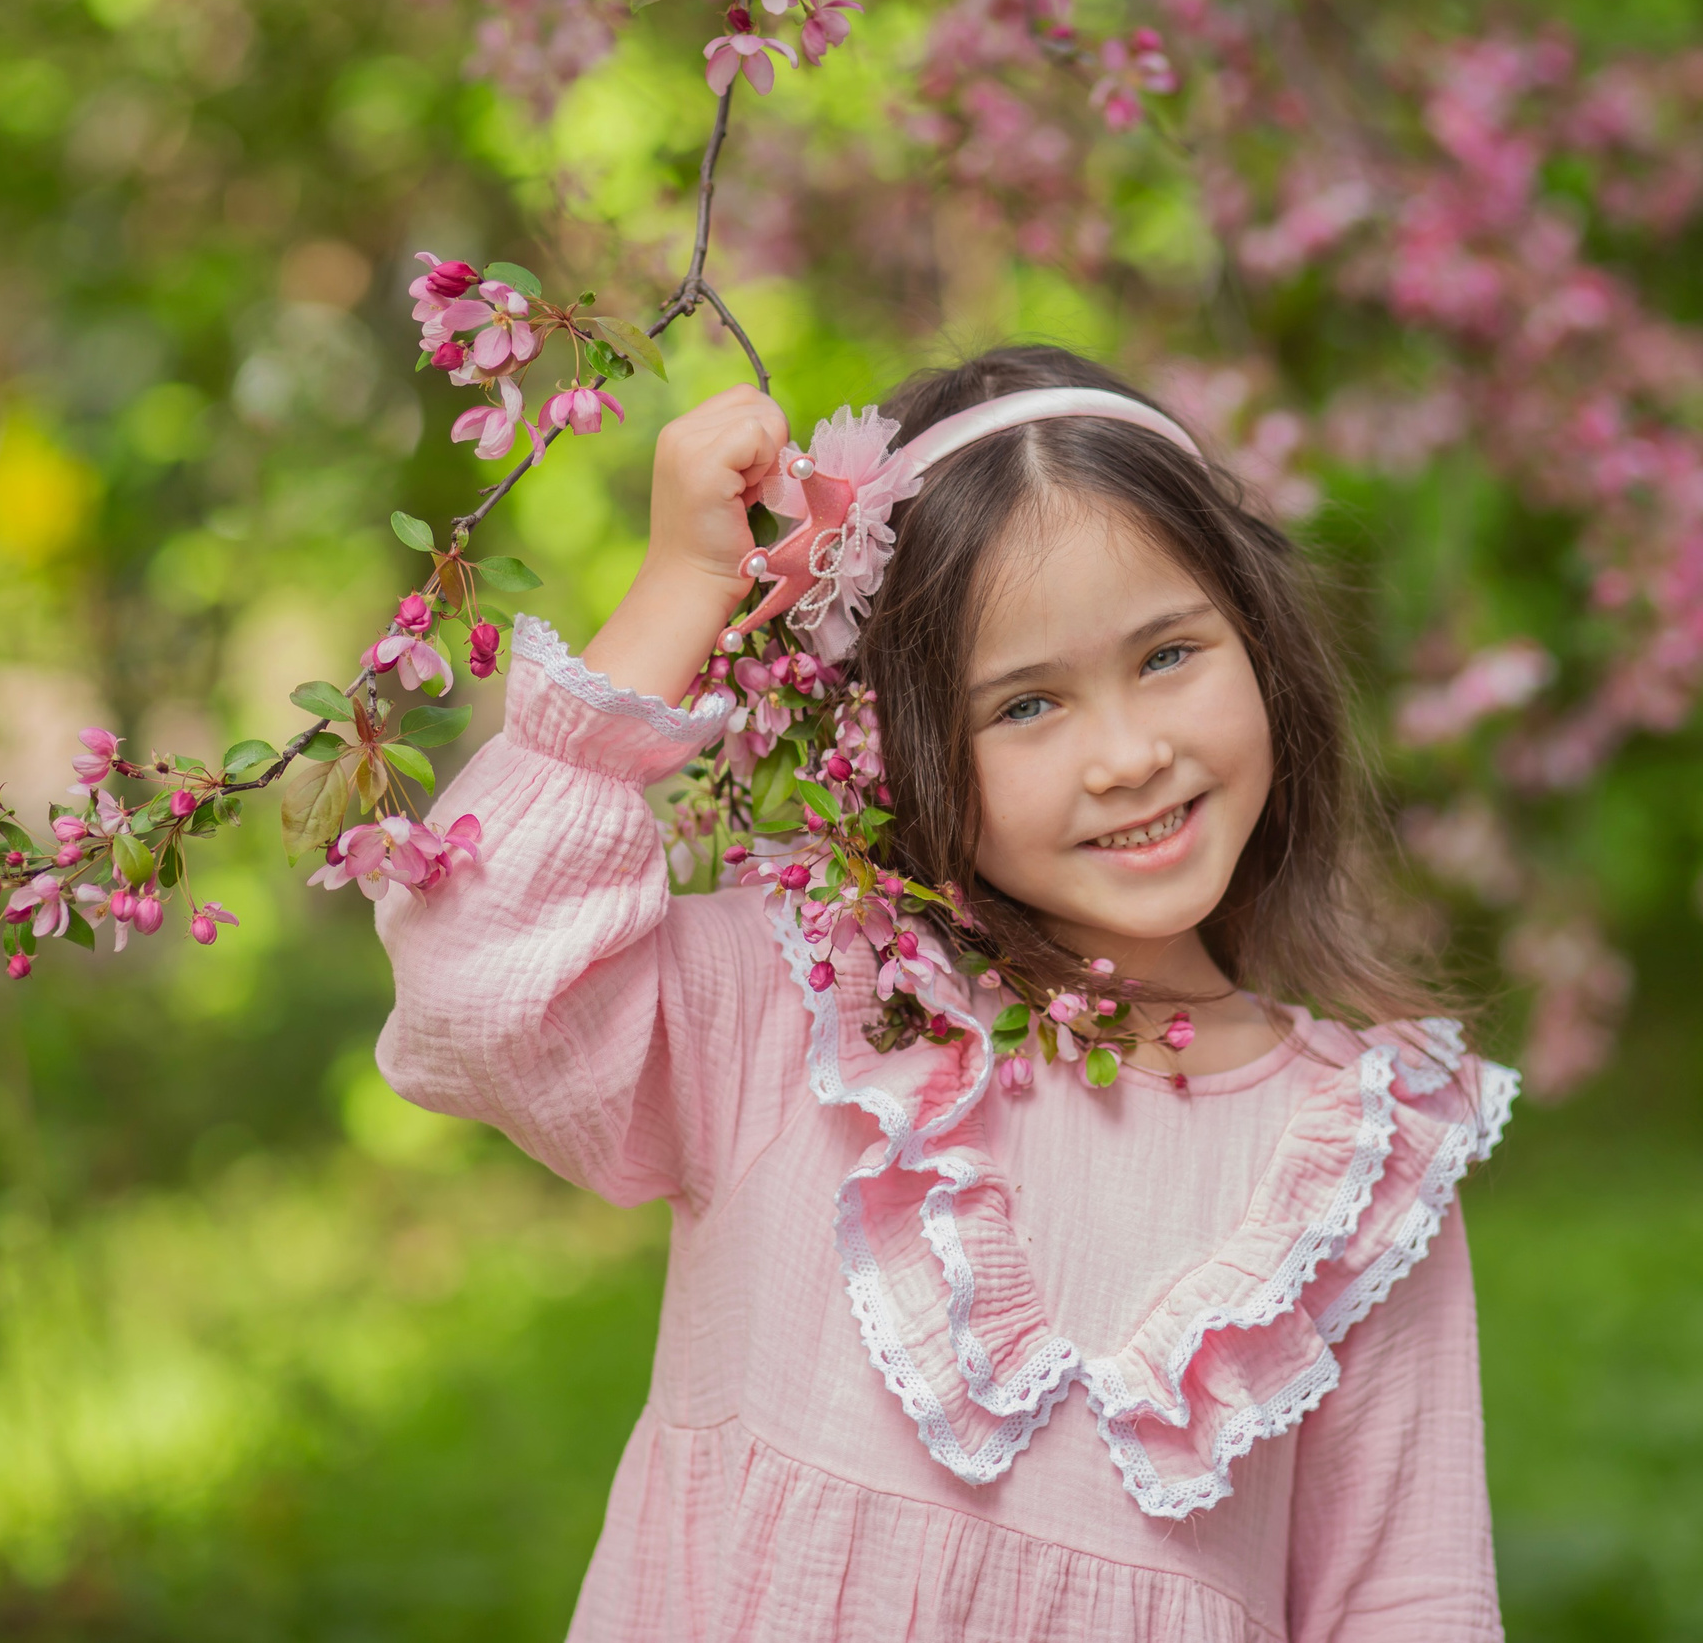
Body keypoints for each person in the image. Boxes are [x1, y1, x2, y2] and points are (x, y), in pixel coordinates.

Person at [375, 344, 1518, 1641]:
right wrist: (679, 591)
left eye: (1167, 656)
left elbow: (1408, 1600)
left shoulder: (1362, 1163)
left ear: (1256, 642)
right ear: (905, 740)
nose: (1129, 756)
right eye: (1027, 703)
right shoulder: (804, 1007)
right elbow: (475, 983)